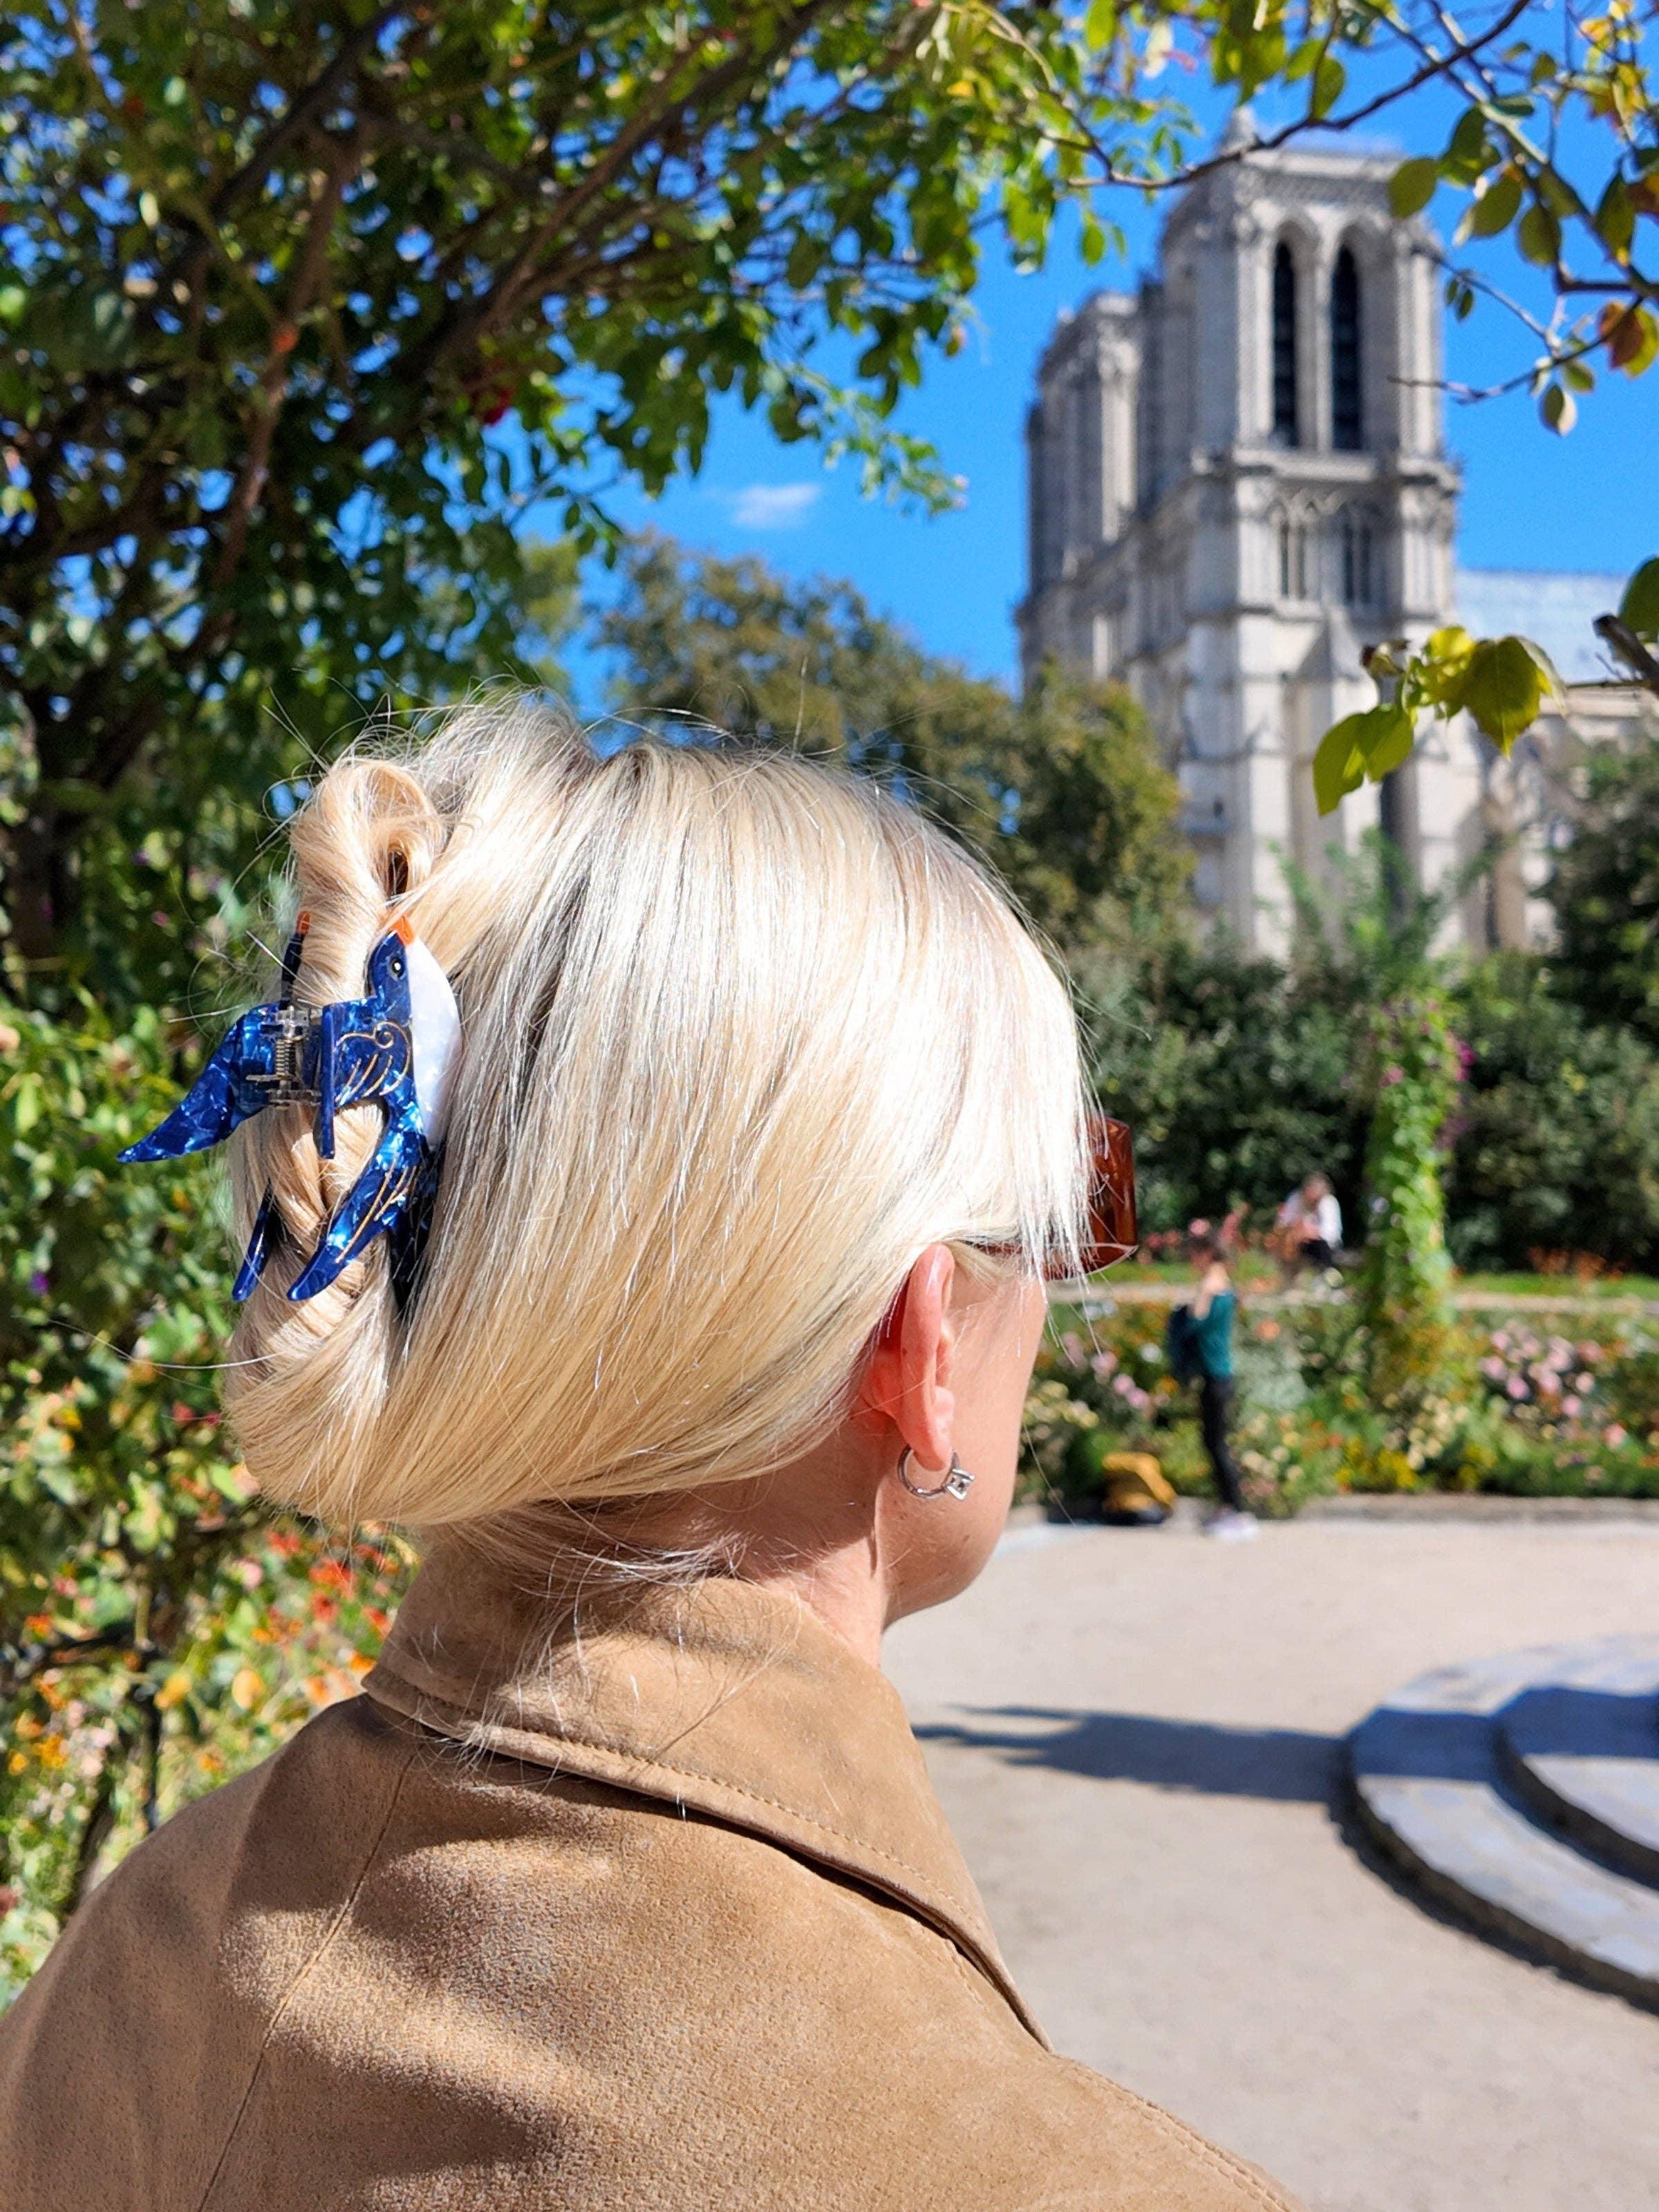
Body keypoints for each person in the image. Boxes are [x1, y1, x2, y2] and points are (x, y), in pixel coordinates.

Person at [0, 707, 1296, 2211]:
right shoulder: (1062, 2178)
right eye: (1081, 1201)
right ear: (921, 1344)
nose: (1080, 1269)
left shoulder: (127, 1951)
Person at [1181, 1222, 1256, 1541]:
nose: (1189, 1259)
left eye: (1193, 1253)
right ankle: (1229, 1508)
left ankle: (1237, 1509)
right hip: (1220, 1373)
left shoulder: (1210, 1285)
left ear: (1206, 1253)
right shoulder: (1224, 1282)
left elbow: (1194, 1322)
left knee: (1216, 1444)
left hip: (1214, 1373)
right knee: (1214, 1442)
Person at [1275, 1171, 1342, 1284]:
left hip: (1323, 1245)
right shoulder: (1296, 1198)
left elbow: (1331, 1233)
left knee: (1320, 1246)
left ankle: (1326, 1275)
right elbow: (1282, 1223)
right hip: (1296, 1240)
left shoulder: (1328, 1202)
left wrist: (1308, 1232)